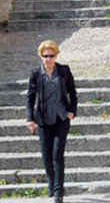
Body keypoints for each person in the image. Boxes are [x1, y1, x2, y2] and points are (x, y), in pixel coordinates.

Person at [25, 40, 78, 203]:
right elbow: (30, 97)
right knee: (46, 156)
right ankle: (51, 181)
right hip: (43, 119)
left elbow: (72, 92)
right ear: (41, 57)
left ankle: (58, 190)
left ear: (56, 55)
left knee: (57, 154)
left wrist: (71, 112)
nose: (48, 59)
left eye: (51, 55)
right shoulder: (35, 74)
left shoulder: (63, 71)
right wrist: (30, 119)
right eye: (45, 56)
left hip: (61, 117)